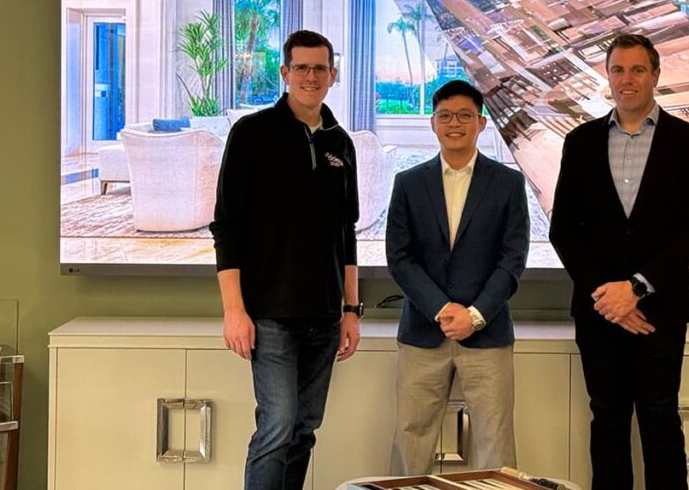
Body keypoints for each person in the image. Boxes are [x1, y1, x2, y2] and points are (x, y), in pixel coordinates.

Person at [549, 34, 689, 490]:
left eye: (637, 70)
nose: (627, 80)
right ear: (607, 76)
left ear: (656, 76)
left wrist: (636, 288)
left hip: (660, 313)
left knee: (661, 421)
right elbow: (564, 231)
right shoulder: (580, 142)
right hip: (600, 311)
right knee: (607, 422)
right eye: (618, 70)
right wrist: (608, 296)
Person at [209, 29, 362, 490]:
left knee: (303, 430)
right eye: (301, 68)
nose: (310, 76)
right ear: (285, 72)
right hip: (270, 315)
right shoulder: (252, 134)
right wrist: (234, 312)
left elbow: (346, 234)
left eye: (320, 68)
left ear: (333, 75)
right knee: (276, 428)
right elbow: (227, 228)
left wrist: (351, 311)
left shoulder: (341, 142)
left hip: (324, 316)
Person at [385, 79, 530, 475]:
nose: (455, 123)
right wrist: (442, 309)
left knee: (495, 443)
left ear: (481, 123)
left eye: (465, 115)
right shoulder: (408, 183)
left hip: (488, 333)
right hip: (422, 333)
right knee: (411, 438)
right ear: (432, 123)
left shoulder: (508, 183)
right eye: (445, 115)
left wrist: (476, 314)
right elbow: (399, 258)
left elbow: (513, 260)